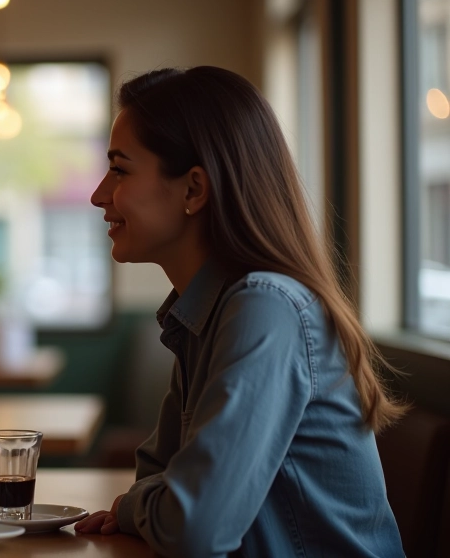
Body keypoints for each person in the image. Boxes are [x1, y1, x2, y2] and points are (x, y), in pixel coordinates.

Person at [75, 67, 404, 557]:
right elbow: (158, 478)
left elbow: (193, 525)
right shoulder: (201, 315)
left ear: (193, 190)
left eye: (120, 169)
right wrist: (151, 501)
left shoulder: (265, 309)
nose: (99, 194)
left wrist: (133, 507)